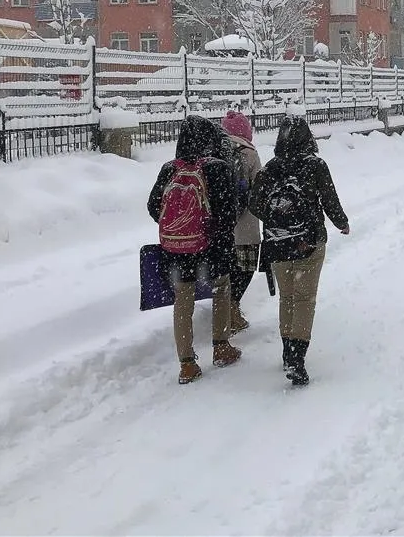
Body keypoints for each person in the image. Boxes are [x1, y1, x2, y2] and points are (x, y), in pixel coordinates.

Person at [249, 116, 349, 386]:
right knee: (304, 299)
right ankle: (297, 357)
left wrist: (276, 217)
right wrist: (341, 222)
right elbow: (329, 199)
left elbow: (254, 203)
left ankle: (287, 352)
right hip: (308, 242)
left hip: (277, 242)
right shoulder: (315, 165)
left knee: (287, 298)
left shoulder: (271, 167)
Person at [147, 115, 242, 385]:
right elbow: (229, 211)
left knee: (183, 301)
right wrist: (212, 231)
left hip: (176, 249)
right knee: (221, 289)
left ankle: (187, 364)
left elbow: (153, 206)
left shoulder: (169, 169)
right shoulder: (217, 167)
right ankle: (221, 346)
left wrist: (179, 226)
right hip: (212, 247)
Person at [220, 110, 263, 335]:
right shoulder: (250, 153)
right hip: (245, 226)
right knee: (244, 269)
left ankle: (223, 310)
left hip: (221, 225)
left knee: (225, 270)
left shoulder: (214, 151)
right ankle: (233, 308)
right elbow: (260, 188)